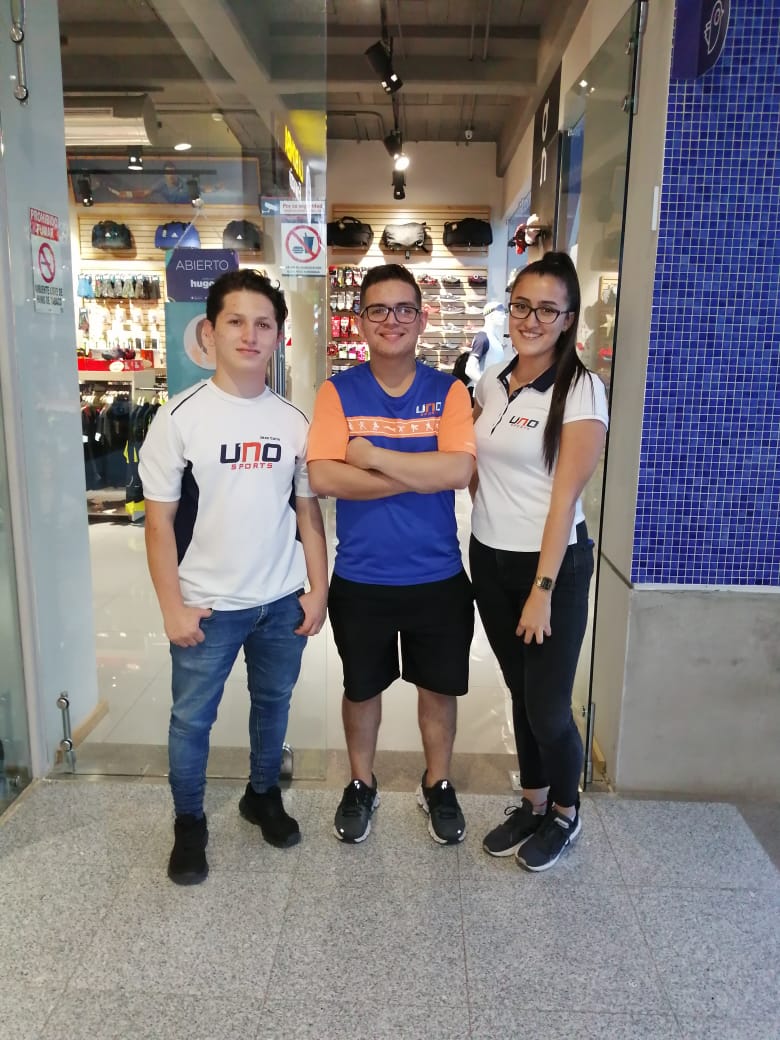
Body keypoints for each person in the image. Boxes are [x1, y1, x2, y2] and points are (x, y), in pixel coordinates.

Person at [138, 269, 328, 885]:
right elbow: (159, 524)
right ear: (210, 332)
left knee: (273, 704)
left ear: (278, 335)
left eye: (263, 323)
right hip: (207, 606)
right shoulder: (179, 418)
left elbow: (307, 512)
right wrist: (172, 607)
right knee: (192, 719)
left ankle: (262, 794)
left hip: (280, 600)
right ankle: (189, 821)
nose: (250, 334)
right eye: (236, 321)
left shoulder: (294, 421)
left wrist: (318, 590)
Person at [307, 263, 476, 846]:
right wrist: (418, 473)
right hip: (362, 578)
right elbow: (324, 478)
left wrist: (373, 458)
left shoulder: (449, 392)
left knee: (439, 689)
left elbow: (458, 471)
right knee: (361, 689)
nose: (392, 320)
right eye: (378, 309)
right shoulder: (336, 392)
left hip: (438, 576)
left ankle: (438, 783)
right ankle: (361, 783)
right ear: (361, 321)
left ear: (422, 319)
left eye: (404, 309)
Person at [468, 251, 608, 872]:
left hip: (550, 568)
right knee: (519, 692)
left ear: (568, 319)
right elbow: (480, 465)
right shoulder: (493, 380)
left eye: (547, 310)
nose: (530, 319)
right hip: (490, 557)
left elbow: (564, 501)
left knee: (548, 706)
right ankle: (533, 800)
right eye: (521, 305)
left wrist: (543, 588)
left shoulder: (581, 390)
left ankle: (565, 813)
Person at [464, 301, 507, 389]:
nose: (504, 317)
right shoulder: (482, 337)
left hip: (494, 390)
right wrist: (486, 385)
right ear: (492, 315)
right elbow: (469, 369)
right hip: (484, 393)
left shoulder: (494, 338)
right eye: (501, 314)